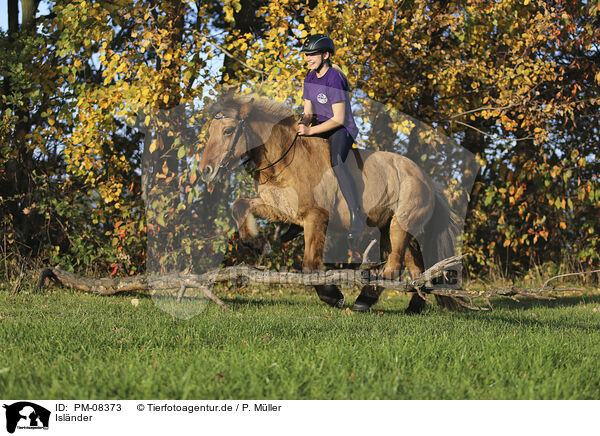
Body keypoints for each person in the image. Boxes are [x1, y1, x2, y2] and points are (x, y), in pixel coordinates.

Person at [297, 33, 365, 239]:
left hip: (341, 130)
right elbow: (308, 112)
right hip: (320, 127)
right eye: (306, 55)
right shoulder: (309, 77)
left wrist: (310, 131)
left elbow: (339, 119)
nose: (308, 58)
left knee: (336, 163)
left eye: (312, 55)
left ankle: (356, 215)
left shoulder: (334, 78)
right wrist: (301, 124)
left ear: (325, 55)